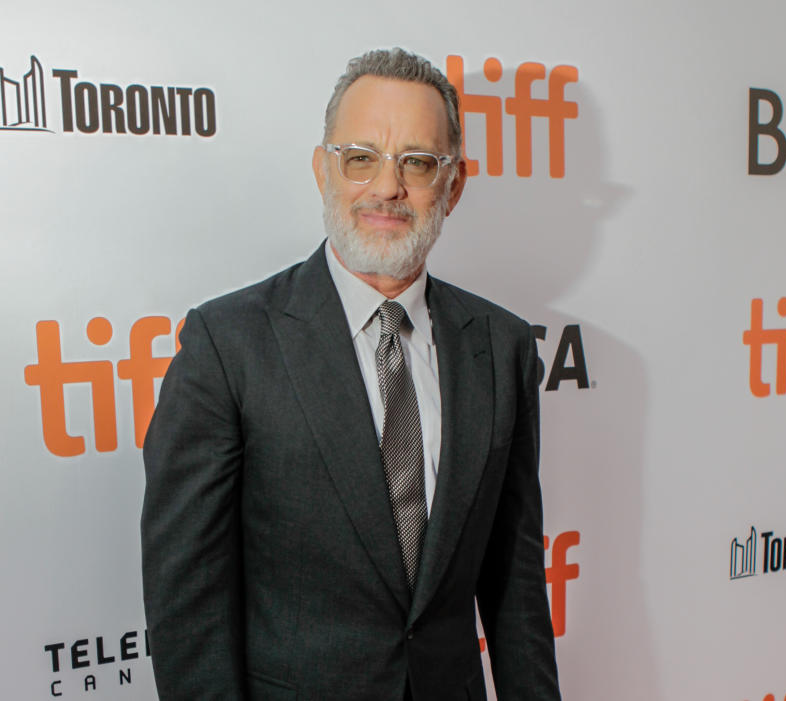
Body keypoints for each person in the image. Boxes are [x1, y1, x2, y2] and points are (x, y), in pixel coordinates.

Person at [141, 47, 561, 701]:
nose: (387, 188)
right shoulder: (228, 345)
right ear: (323, 170)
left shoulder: (502, 347)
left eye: (418, 162)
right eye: (360, 157)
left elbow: (515, 584)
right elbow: (188, 607)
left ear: (454, 184)